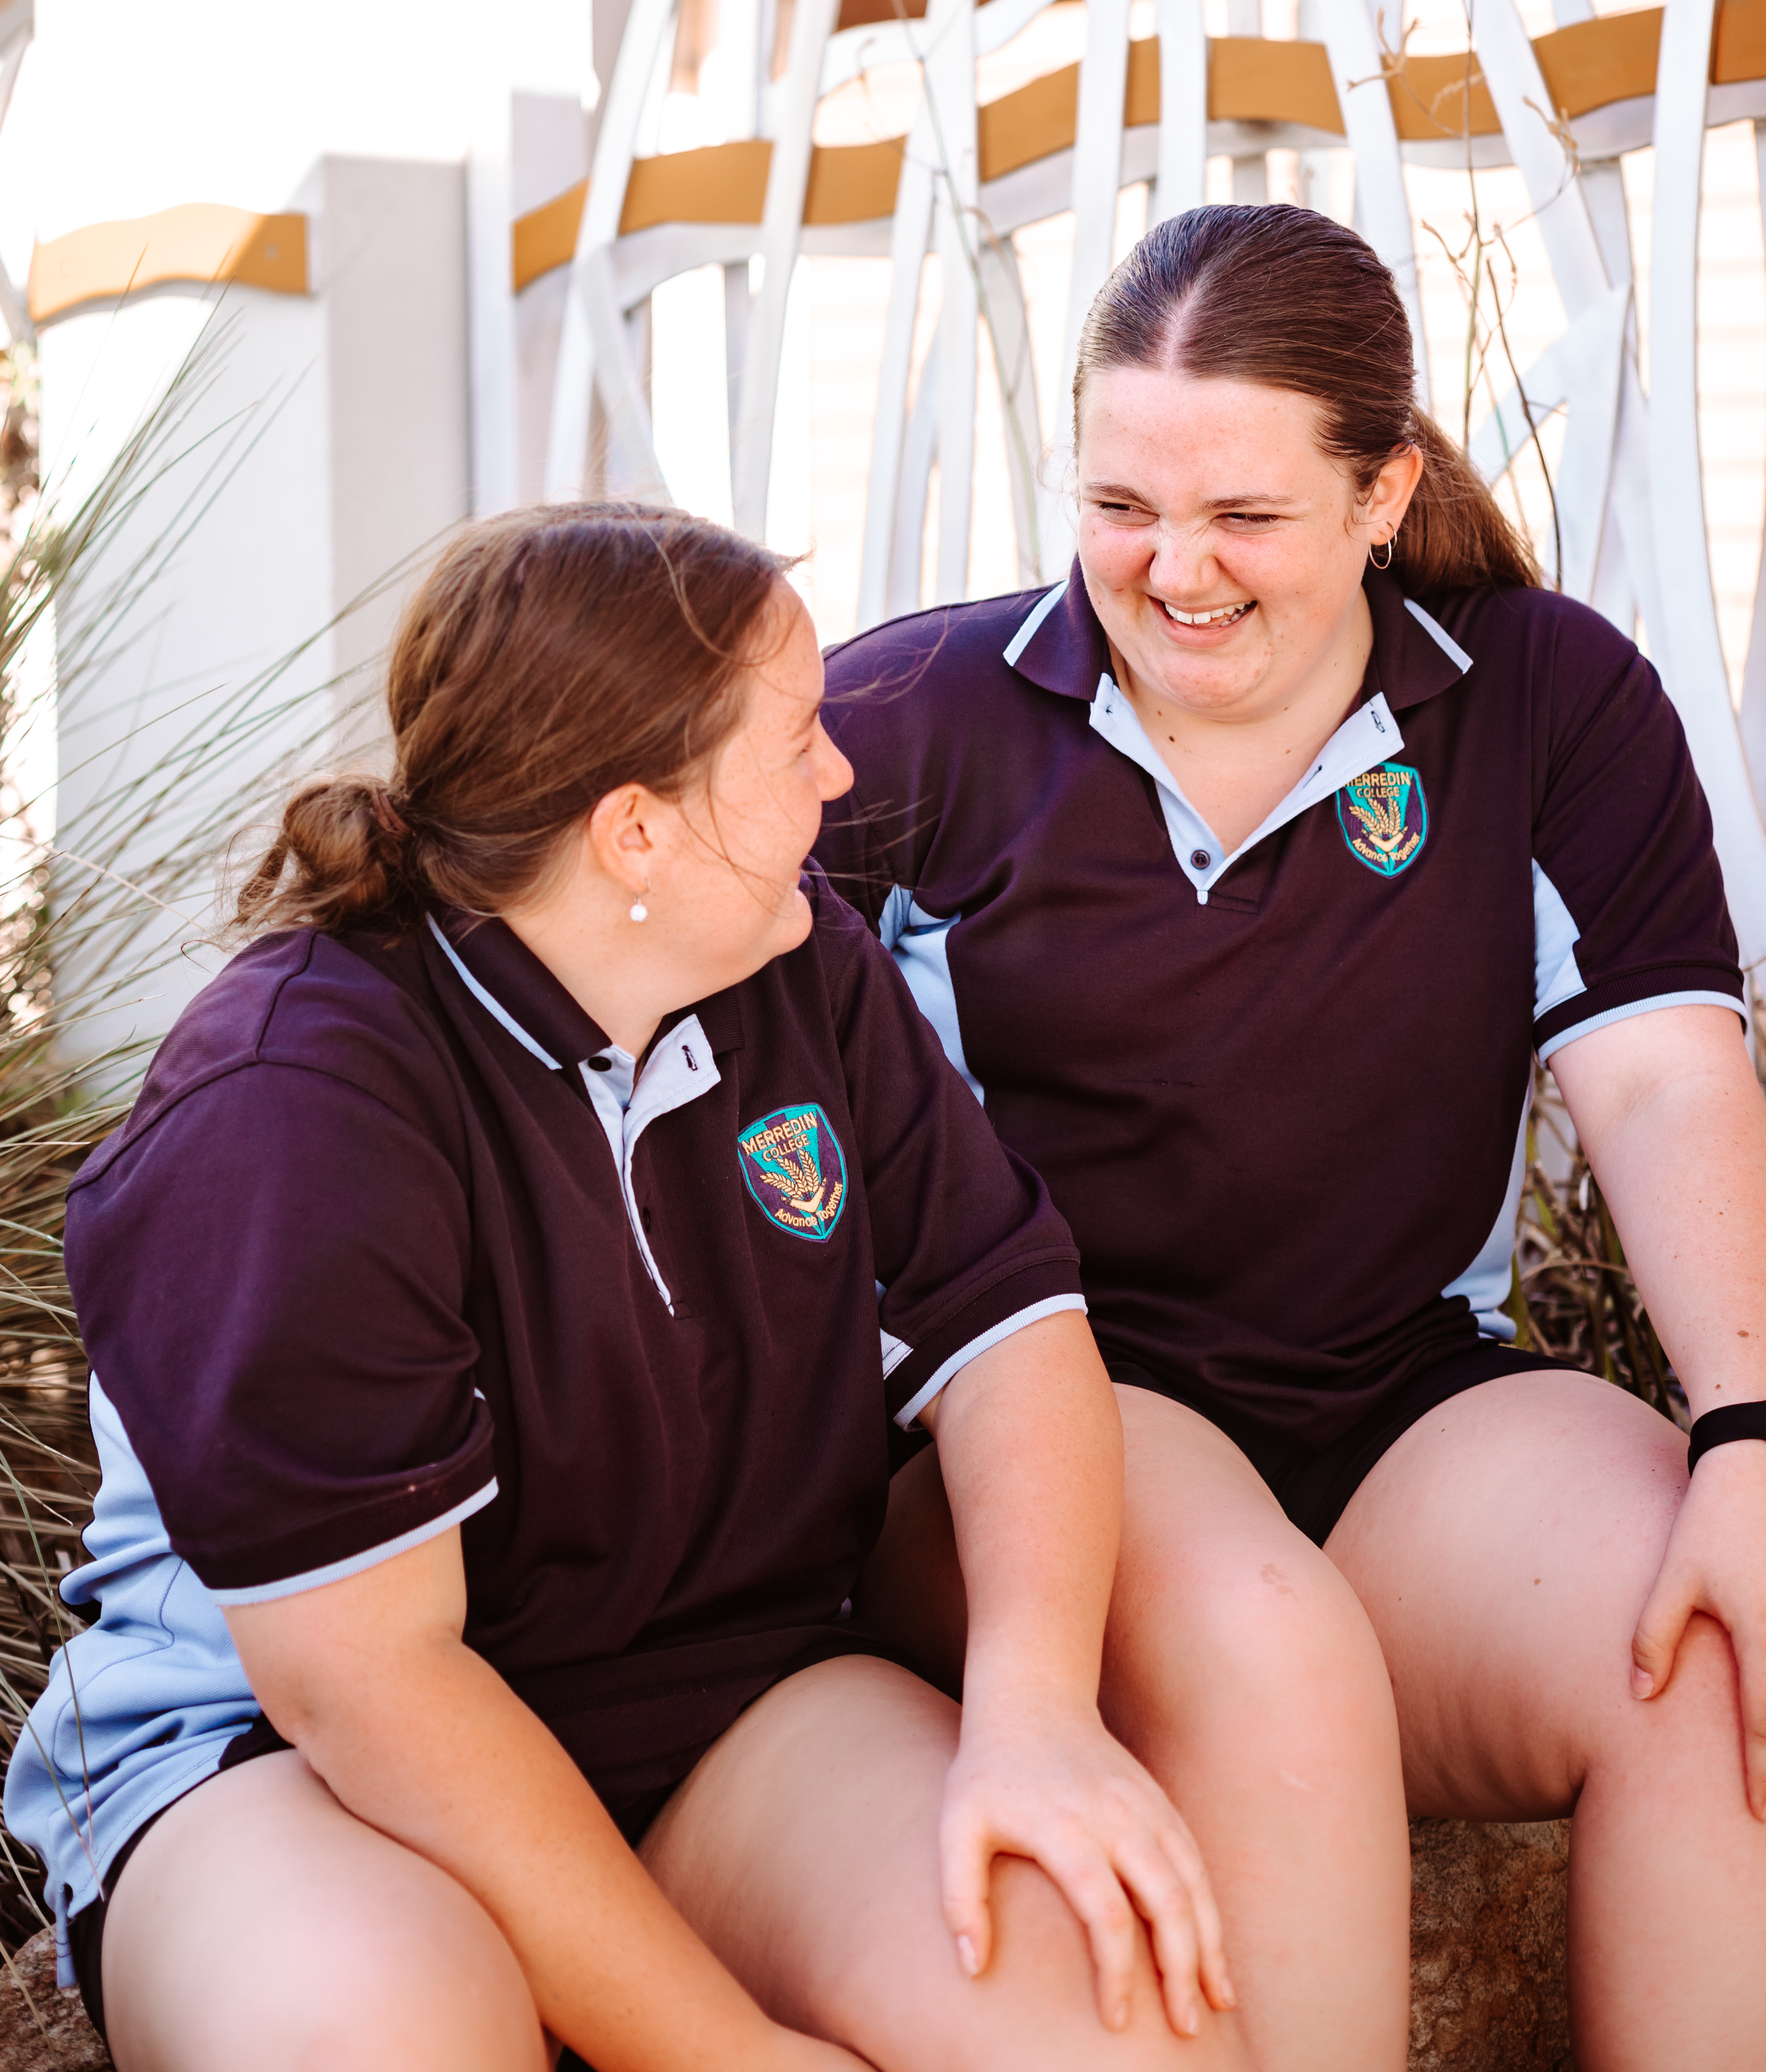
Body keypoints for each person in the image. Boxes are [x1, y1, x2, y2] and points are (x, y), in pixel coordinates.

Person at [5, 503, 1236, 2072]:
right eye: (798, 742)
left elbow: (1012, 1330)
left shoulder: (805, 963)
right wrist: (734, 2049)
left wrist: (1035, 1712)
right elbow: (368, 1683)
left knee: (1102, 2018)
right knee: (382, 2039)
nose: (842, 775)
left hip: (724, 1689)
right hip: (284, 1758)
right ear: (636, 829)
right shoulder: (293, 1097)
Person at [818, 203, 1766, 2072]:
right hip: (1040, 1424)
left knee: (1729, 1646)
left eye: (1245, 517)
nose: (1172, 568)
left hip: (1406, 1406)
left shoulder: (1540, 693)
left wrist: (1759, 1445)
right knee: (1267, 1647)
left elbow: (1672, 1083)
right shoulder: (906, 727)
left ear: (1384, 492)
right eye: (1121, 504)